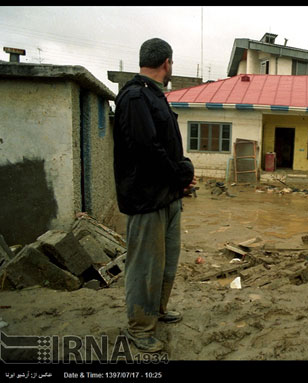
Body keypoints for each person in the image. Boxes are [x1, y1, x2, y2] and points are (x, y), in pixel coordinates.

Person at [113, 38, 196, 352]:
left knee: (166, 264)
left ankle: (157, 312)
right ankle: (140, 327)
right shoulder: (135, 97)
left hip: (168, 197)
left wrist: (181, 179)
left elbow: (164, 147)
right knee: (146, 268)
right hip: (146, 200)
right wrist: (182, 173)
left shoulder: (154, 96)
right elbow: (148, 150)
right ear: (168, 63)